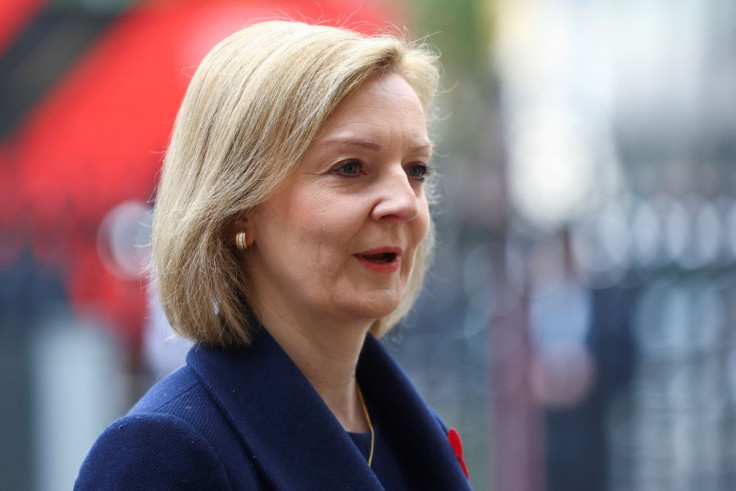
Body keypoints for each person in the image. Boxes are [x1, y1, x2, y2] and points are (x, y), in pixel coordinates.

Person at [75, 20, 471, 490]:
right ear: (239, 211)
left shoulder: (418, 439)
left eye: (416, 169)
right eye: (350, 168)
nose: (404, 202)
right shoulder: (163, 455)